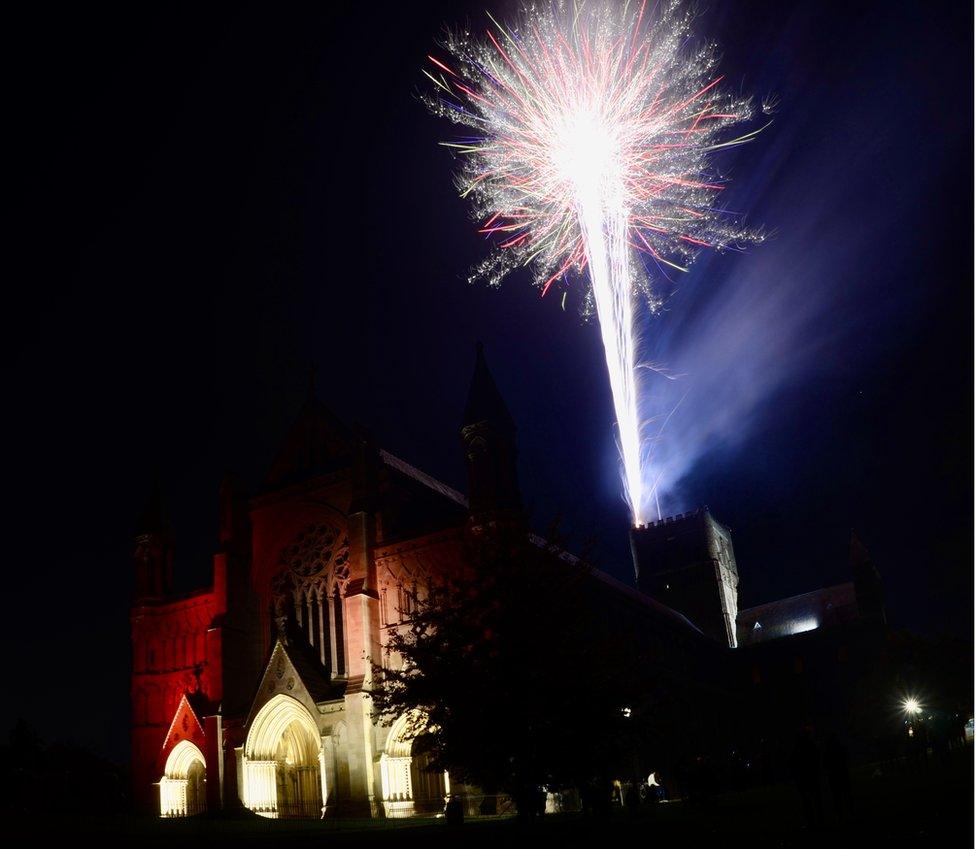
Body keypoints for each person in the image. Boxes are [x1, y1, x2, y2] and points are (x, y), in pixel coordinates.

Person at [790, 726, 823, 829]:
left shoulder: (798, 748)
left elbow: (794, 763)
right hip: (811, 776)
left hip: (804, 777)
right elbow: (816, 758)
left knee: (808, 801)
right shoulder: (810, 745)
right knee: (815, 799)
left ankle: (812, 821)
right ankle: (819, 820)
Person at [823, 732, 852, 823]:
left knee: (837, 796)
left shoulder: (827, 751)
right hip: (842, 773)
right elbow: (846, 757)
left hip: (834, 775)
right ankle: (850, 811)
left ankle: (840, 814)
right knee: (846, 794)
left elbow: (825, 764)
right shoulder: (840, 747)